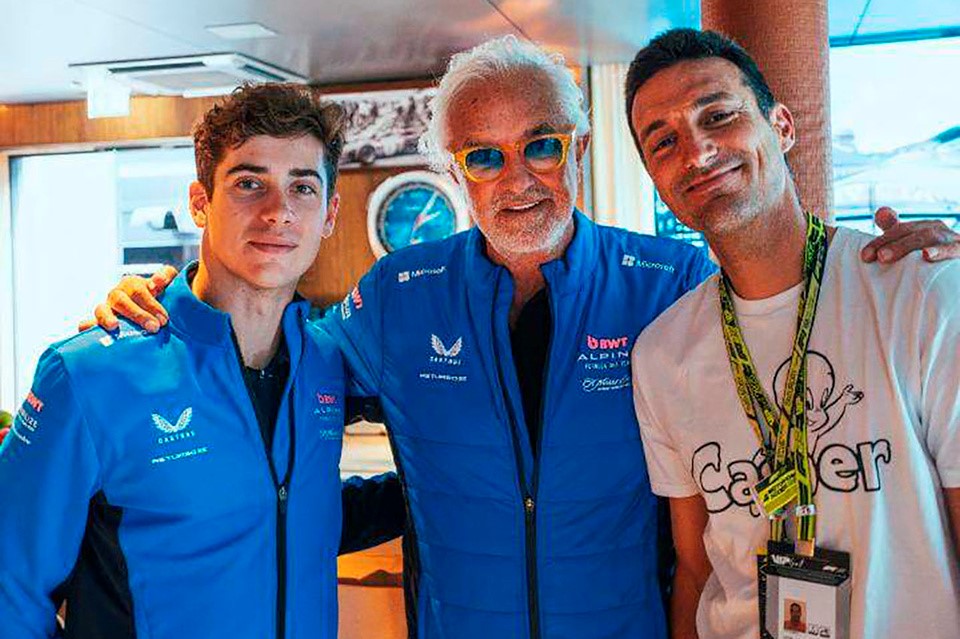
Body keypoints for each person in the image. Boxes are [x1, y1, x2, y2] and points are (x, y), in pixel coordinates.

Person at [87, 36, 960, 639]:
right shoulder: (397, 296)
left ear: (577, 149)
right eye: (484, 155)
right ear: (454, 172)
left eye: (541, 144)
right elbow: (270, 367)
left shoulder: (669, 284)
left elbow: (786, 295)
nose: (518, 179)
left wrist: (910, 255)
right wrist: (171, 306)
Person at [0, 83, 403, 639]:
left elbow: (290, 511)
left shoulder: (327, 362)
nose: (278, 212)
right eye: (249, 183)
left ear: (330, 213)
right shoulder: (89, 374)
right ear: (199, 202)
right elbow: (11, 587)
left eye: (302, 187)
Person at [626, 28, 960, 639]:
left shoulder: (920, 294)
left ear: (780, 126)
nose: (696, 152)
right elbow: (698, 572)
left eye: (718, 116)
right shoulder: (661, 353)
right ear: (655, 178)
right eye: (664, 141)